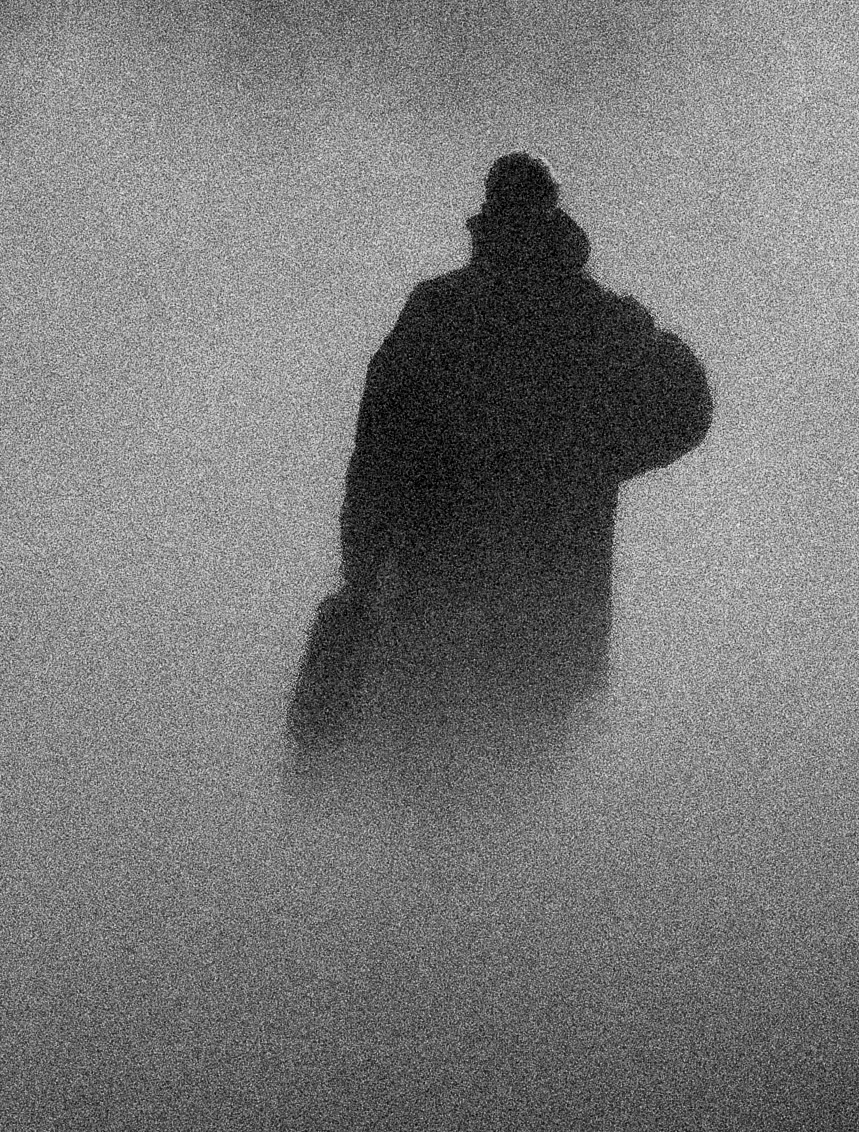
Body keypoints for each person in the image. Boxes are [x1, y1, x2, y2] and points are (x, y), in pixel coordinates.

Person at [287, 152, 713, 769]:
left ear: (488, 219)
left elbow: (376, 455)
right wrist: (595, 457)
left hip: (433, 599)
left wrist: (361, 571)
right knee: (527, 787)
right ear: (554, 220)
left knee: (422, 783)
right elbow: (687, 407)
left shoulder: (438, 311)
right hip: (554, 605)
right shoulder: (599, 321)